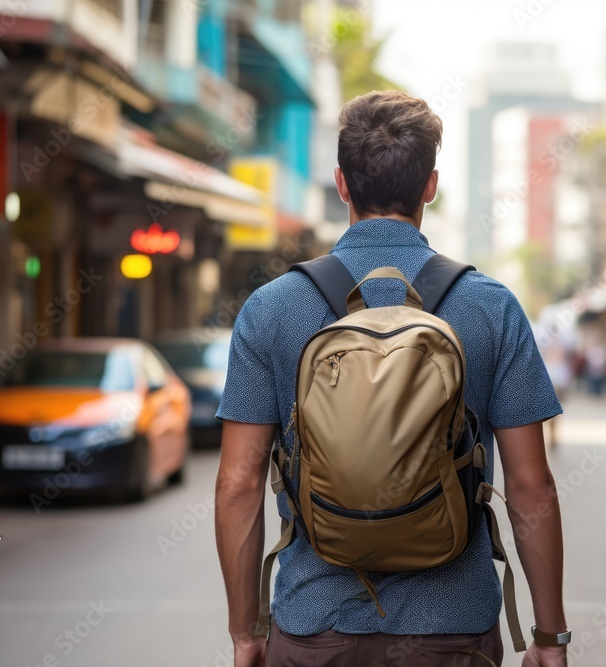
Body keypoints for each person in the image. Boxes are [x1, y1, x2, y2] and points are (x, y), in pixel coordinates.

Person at [215, 91, 569, 667]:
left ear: (341, 184)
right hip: (453, 630)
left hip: (314, 627)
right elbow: (532, 488)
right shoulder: (491, 308)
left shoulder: (271, 308)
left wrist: (245, 632)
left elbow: (237, 483)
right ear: (430, 185)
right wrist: (549, 639)